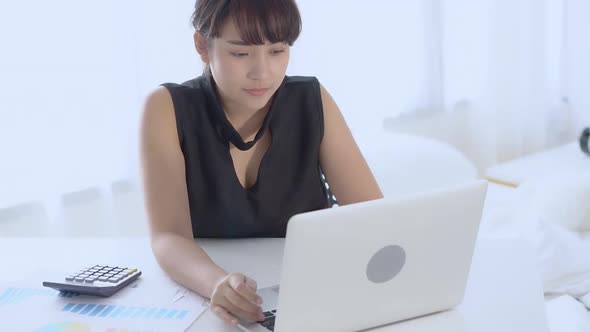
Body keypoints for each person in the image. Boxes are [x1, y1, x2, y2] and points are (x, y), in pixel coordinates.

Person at [139, 0, 383, 327]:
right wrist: (217, 284)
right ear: (202, 45)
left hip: (311, 298)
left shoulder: (311, 99)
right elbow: (168, 236)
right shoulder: (166, 109)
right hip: (210, 304)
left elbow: (376, 218)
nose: (262, 72)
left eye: (278, 51)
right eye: (240, 54)